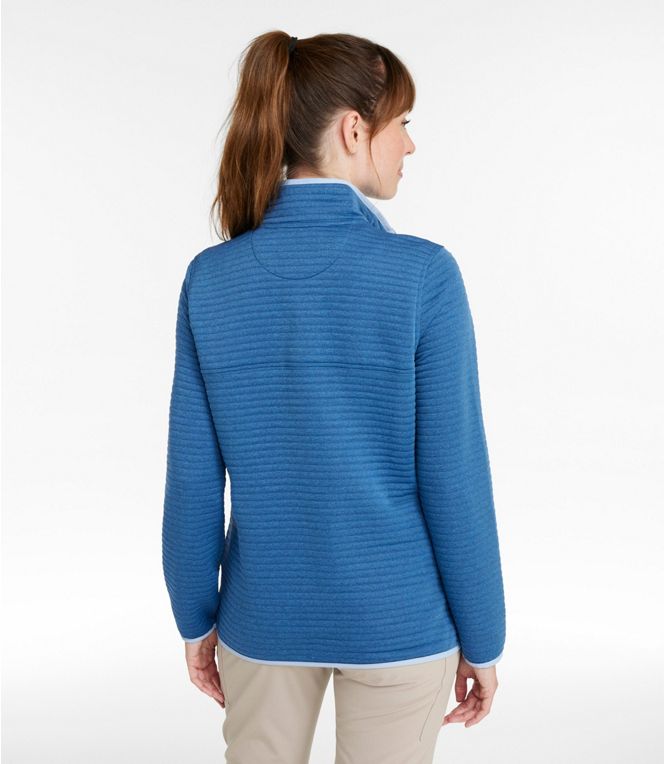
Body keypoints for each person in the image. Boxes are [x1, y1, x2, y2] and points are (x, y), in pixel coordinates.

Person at [162, 30, 506, 764]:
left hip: (262, 619)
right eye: (401, 122)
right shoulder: (423, 277)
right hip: (399, 620)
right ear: (354, 130)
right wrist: (483, 637)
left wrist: (195, 619)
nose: (409, 145)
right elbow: (454, 479)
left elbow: (192, 478)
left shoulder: (210, 280)